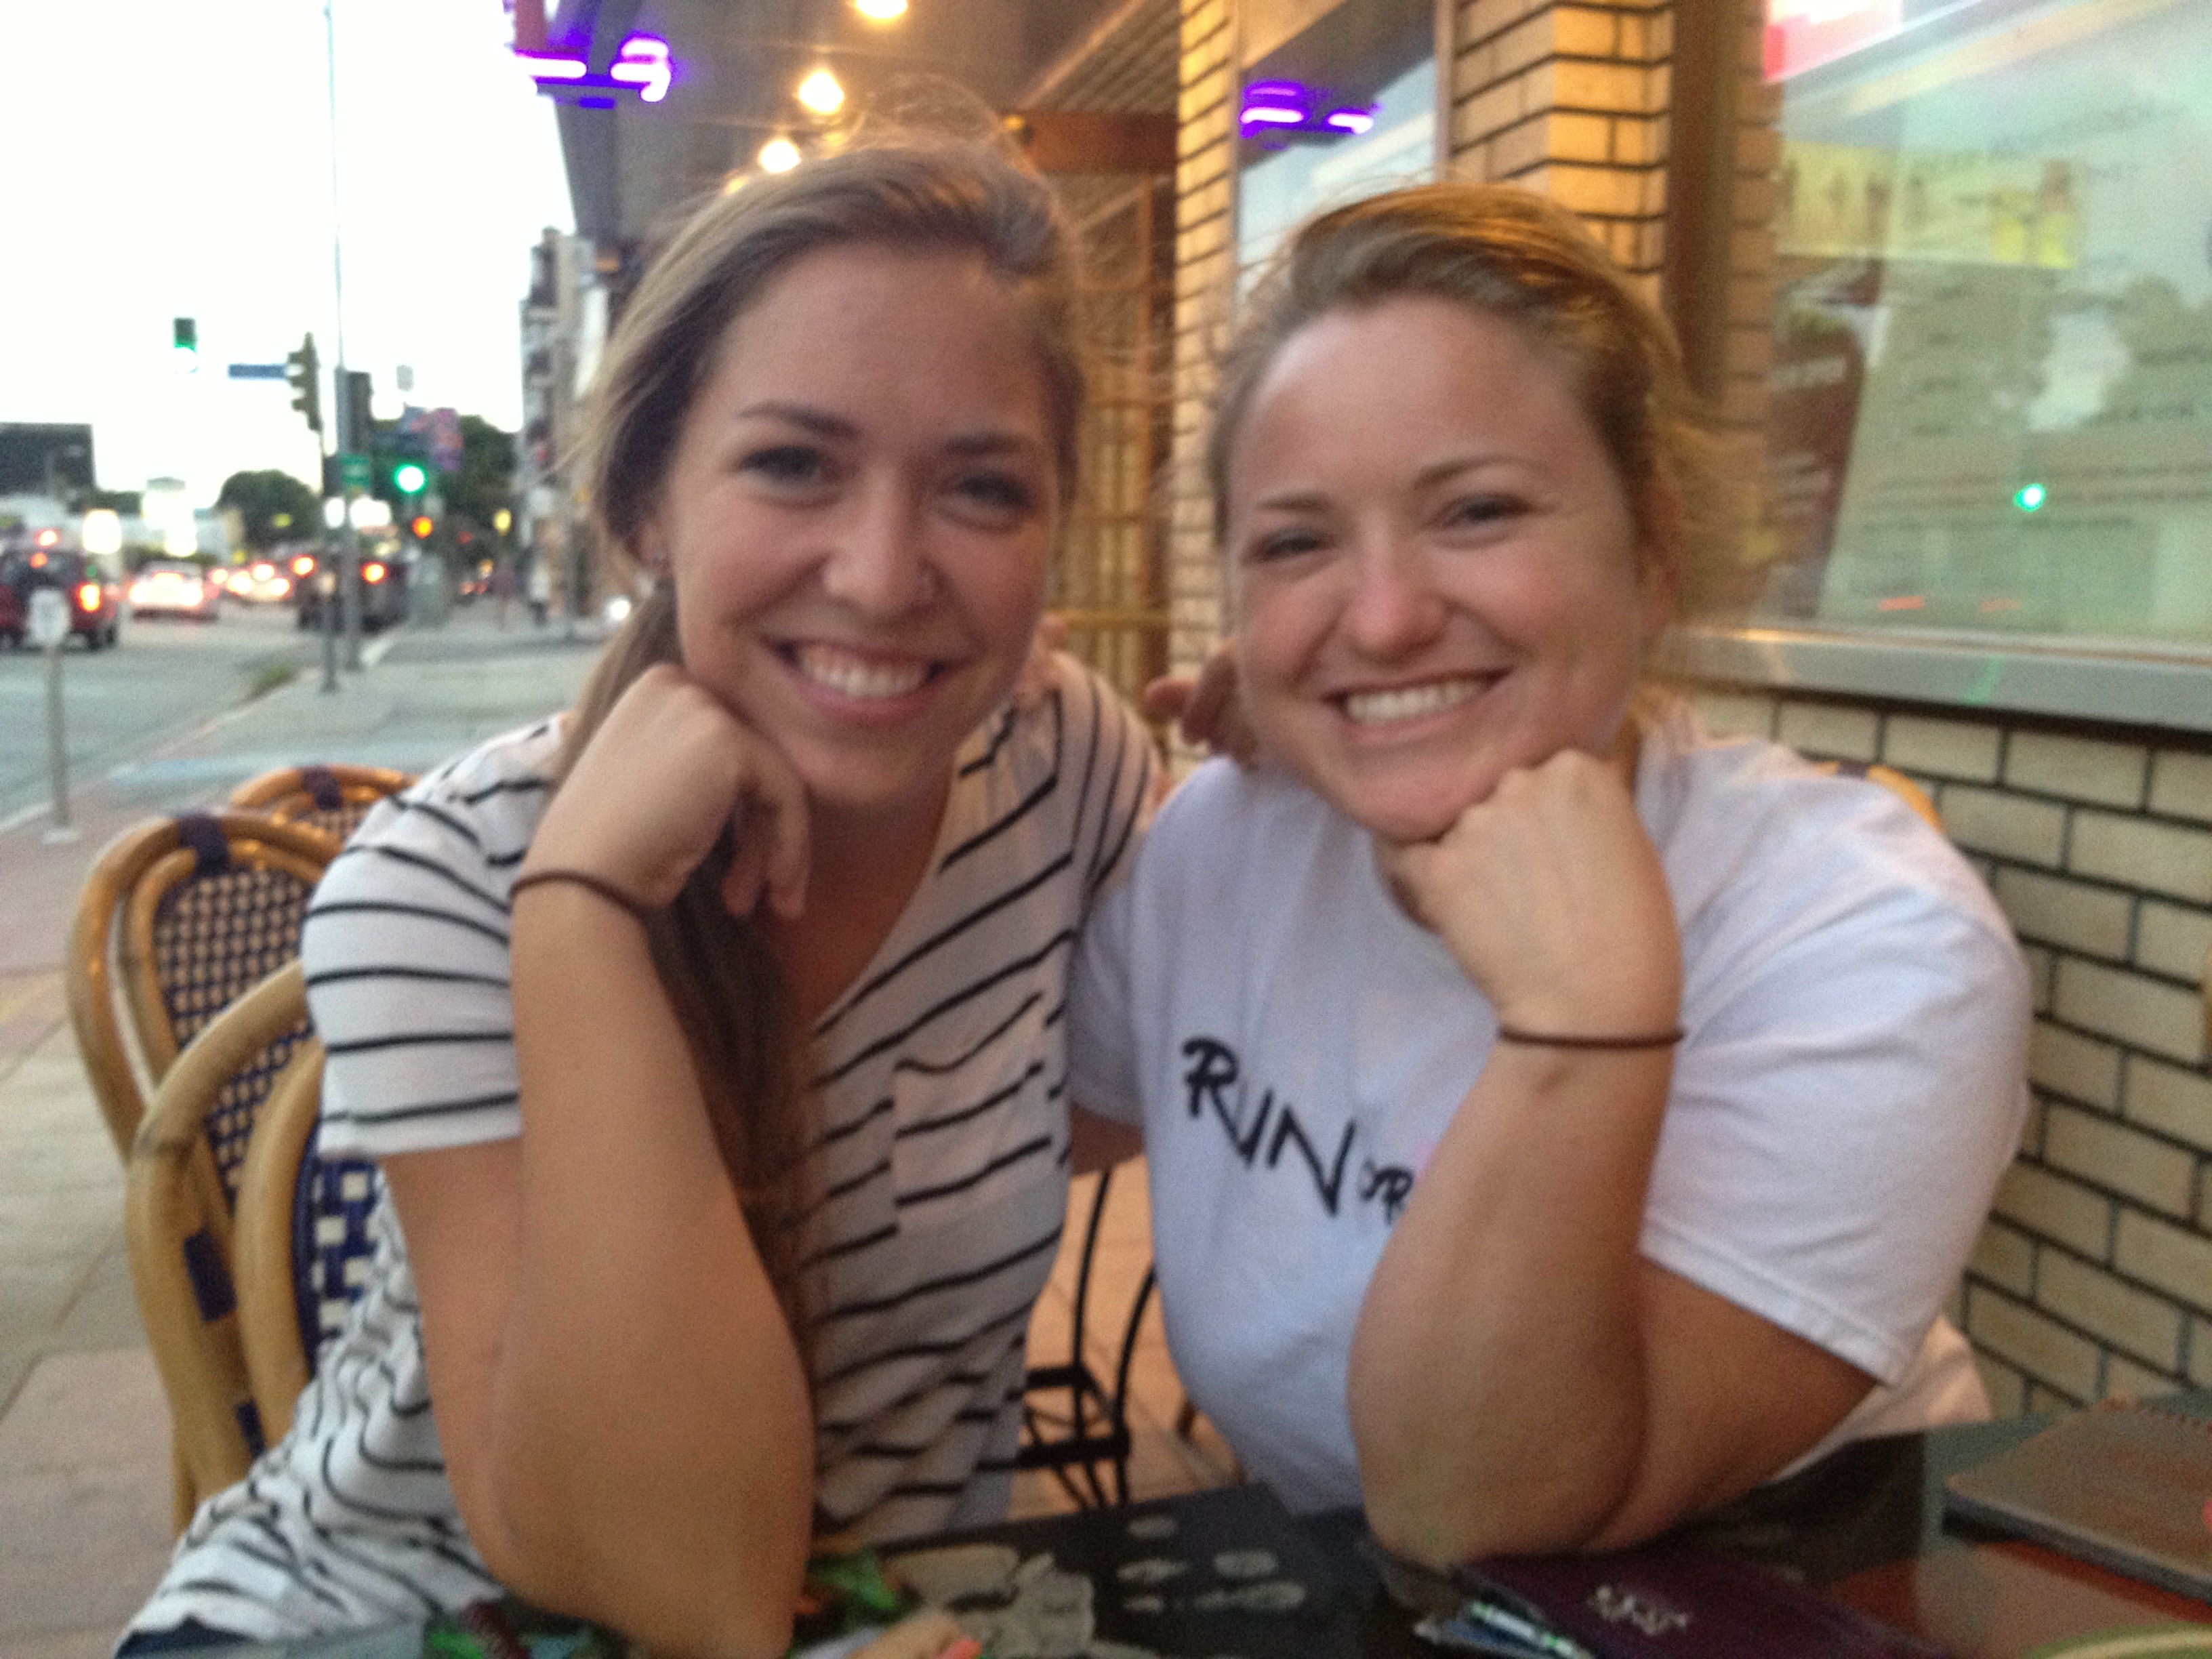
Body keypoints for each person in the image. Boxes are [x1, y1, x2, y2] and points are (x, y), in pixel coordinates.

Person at [122, 140, 1155, 1657]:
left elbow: (1168, 1101)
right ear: (650, 504)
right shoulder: (441, 883)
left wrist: (1318, 776)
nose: (882, 576)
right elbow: (681, 1582)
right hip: (383, 1620)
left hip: (884, 1610)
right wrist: (582, 916)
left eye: (982, 489)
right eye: (793, 464)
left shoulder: (1067, 767)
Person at [1069, 183, 2030, 1569]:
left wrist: (1585, 1025)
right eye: (1296, 544)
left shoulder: (1865, 940)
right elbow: (1014, 1127)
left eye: (1477, 511)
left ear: (1654, 555)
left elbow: (1478, 1510)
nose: (1382, 618)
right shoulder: (1223, 845)